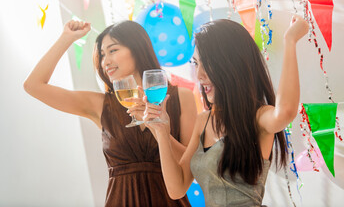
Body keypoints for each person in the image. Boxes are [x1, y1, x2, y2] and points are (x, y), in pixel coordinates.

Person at [23, 20, 197, 206]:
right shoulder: (102, 105)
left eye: (113, 50)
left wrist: (157, 128)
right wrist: (67, 38)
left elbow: (192, 164)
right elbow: (33, 85)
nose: (105, 61)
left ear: (138, 48)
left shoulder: (180, 97)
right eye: (102, 54)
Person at [143, 15, 309, 206]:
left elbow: (286, 112)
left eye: (207, 63)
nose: (199, 75)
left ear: (230, 64)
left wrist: (290, 40)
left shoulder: (258, 117)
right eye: (196, 63)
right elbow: (177, 188)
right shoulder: (203, 121)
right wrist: (162, 132)